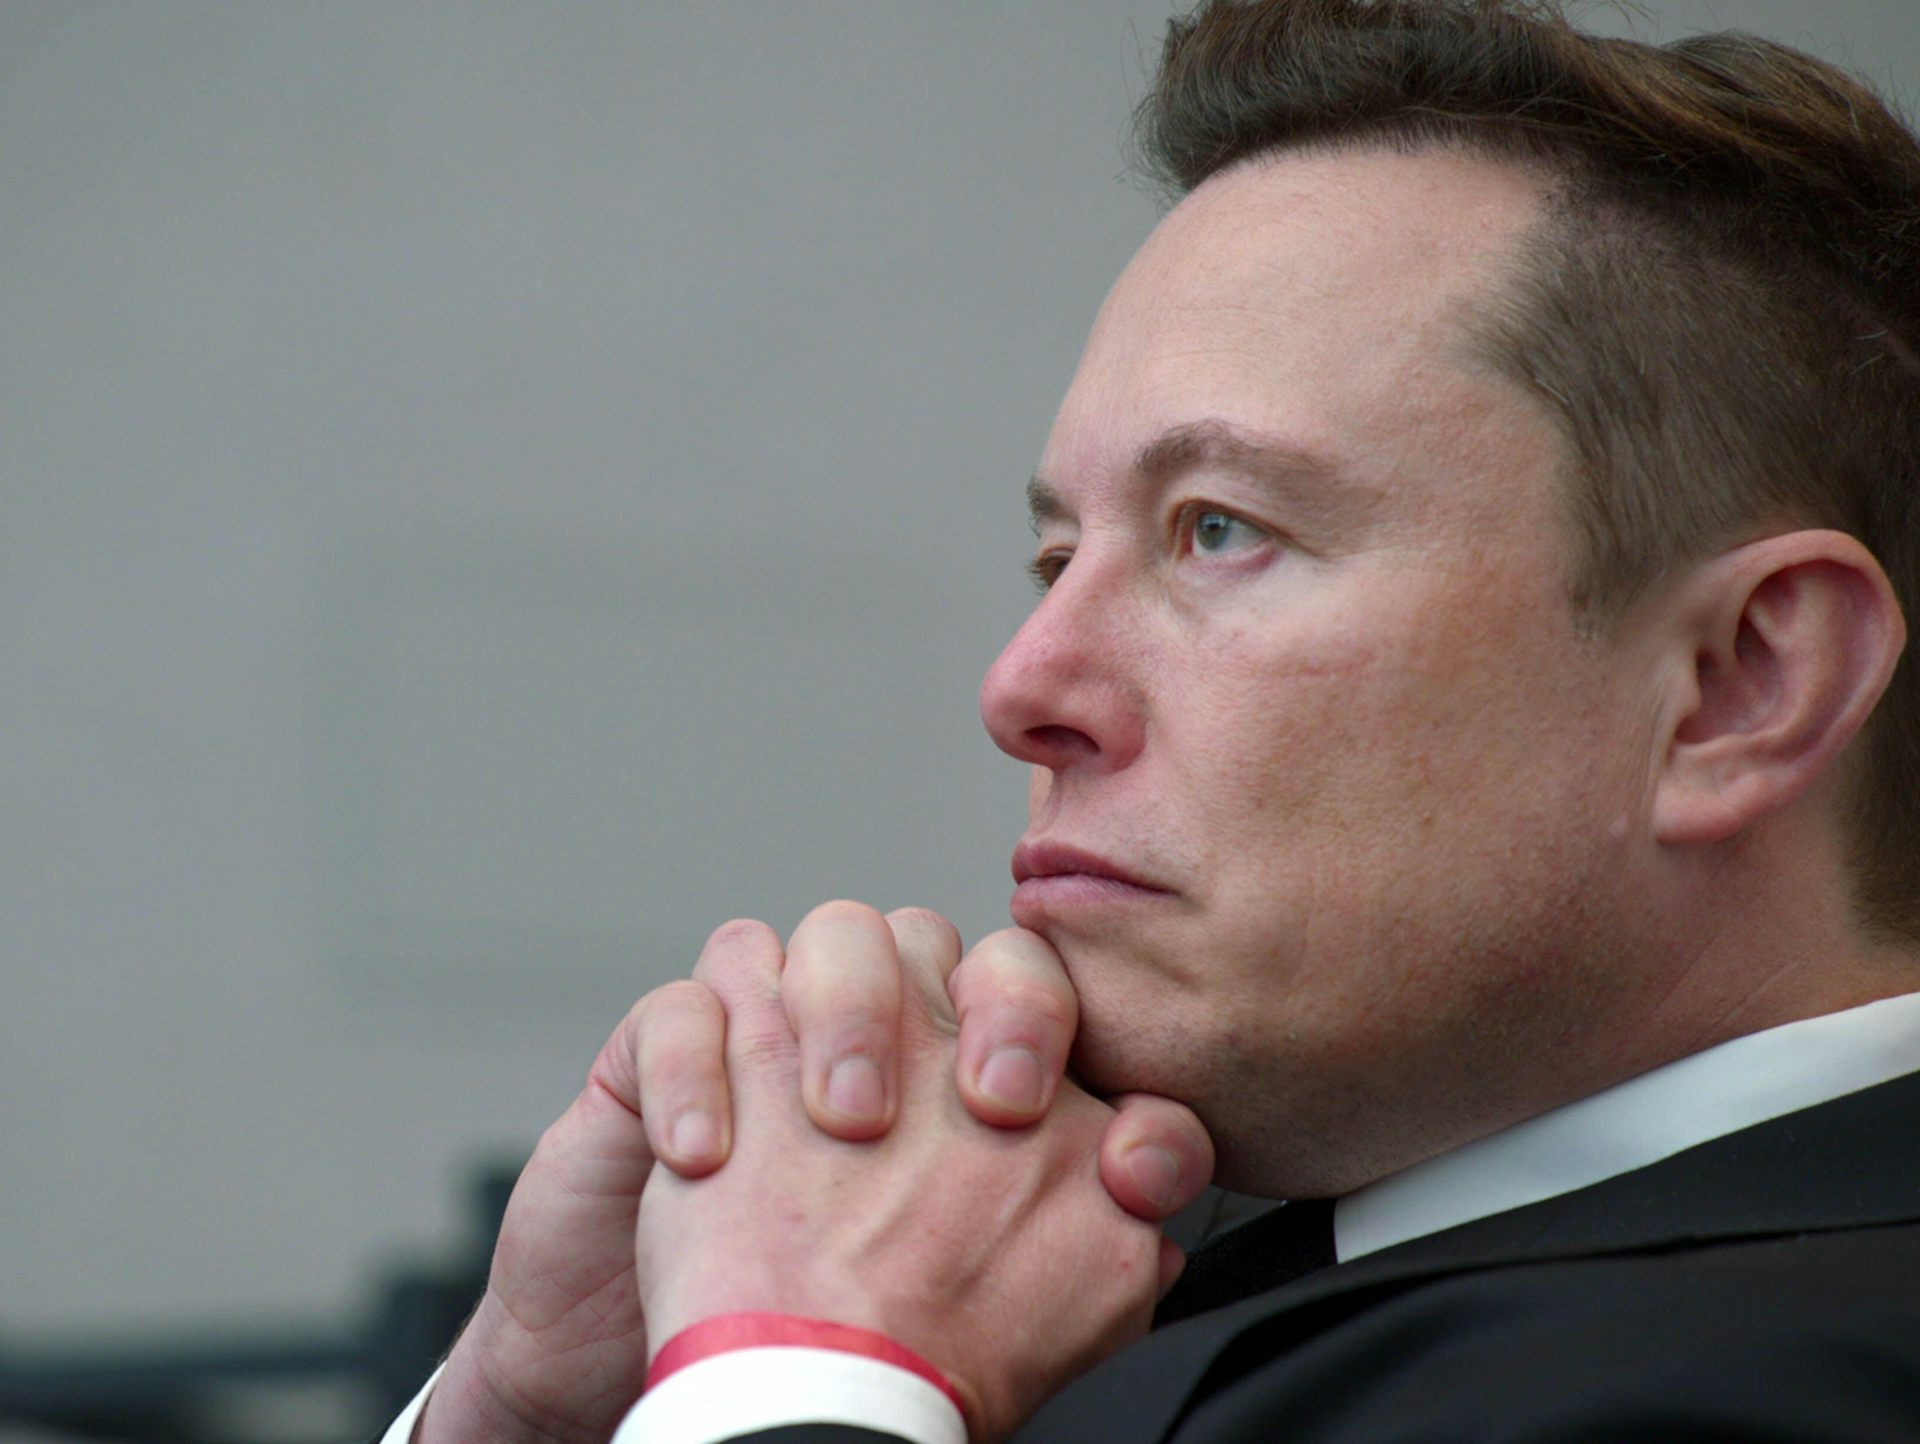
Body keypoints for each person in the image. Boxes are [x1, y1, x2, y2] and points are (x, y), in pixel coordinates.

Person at [387, 1, 1920, 1439]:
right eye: (1056, 558)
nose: (1022, 690)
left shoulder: (1793, 1380)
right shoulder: (1068, 1269)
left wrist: (796, 1370)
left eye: (1220, 531)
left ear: (1740, 682)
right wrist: (520, 1413)